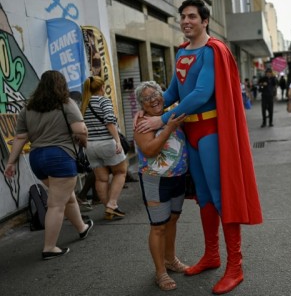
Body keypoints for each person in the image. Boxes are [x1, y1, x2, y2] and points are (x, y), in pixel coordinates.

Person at [135, 0, 262, 295]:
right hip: (190, 130)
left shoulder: (212, 51)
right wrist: (149, 107)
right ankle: (212, 255)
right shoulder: (182, 53)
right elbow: (172, 92)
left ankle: (235, 266)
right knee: (203, 196)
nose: (186, 21)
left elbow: (203, 91)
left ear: (205, 21)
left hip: (210, 130)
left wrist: (161, 119)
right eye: (183, 16)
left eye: (192, 16)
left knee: (221, 196)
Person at [4, 70, 93, 260]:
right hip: (60, 157)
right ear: (61, 85)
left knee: (66, 197)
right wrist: (83, 141)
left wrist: (11, 162)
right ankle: (49, 248)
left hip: (37, 159)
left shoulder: (28, 109)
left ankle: (82, 228)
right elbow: (80, 130)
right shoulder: (66, 104)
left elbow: (20, 138)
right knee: (55, 204)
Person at [134, 81, 189, 291]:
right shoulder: (143, 124)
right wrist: (169, 128)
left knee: (173, 219)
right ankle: (160, 272)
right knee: (158, 227)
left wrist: (169, 122)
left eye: (156, 94)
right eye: (147, 98)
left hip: (177, 178)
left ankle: (171, 260)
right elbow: (149, 150)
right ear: (142, 105)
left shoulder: (169, 115)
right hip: (155, 181)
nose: (153, 99)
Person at [80, 76, 127, 220]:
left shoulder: (83, 104)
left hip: (90, 146)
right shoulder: (103, 101)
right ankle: (112, 205)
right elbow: (109, 121)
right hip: (107, 142)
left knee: (101, 179)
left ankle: (110, 209)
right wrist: (117, 141)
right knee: (120, 172)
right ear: (101, 88)